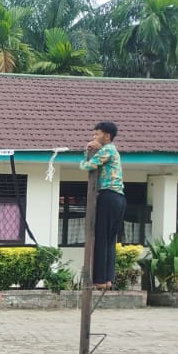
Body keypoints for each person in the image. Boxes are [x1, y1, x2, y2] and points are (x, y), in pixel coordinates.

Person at [81, 121, 125, 290]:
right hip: (118, 197)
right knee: (109, 239)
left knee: (100, 237)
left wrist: (88, 150)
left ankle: (99, 279)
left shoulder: (107, 149)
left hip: (107, 196)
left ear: (107, 135)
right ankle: (107, 279)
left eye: (97, 134)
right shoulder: (113, 151)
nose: (94, 137)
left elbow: (88, 165)